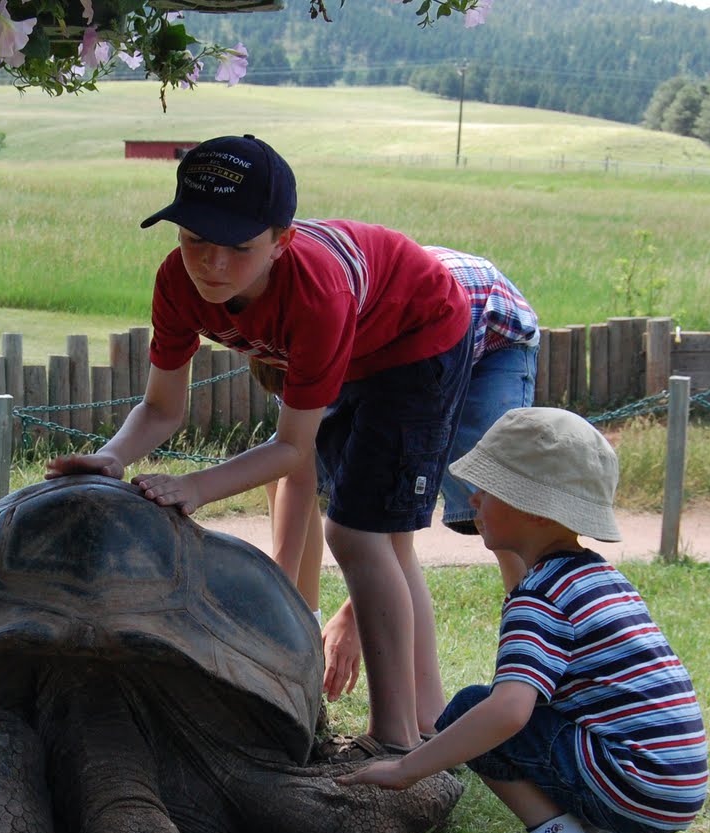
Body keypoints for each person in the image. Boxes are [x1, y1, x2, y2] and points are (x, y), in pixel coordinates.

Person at [44, 133, 474, 760]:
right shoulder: (177, 281)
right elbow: (163, 407)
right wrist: (114, 456)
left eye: (238, 248)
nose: (212, 264)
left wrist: (194, 487)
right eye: (195, 240)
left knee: (356, 533)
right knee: (370, 533)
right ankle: (426, 719)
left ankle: (393, 738)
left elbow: (291, 449)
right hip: (351, 350)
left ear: (282, 240)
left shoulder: (315, 292)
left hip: (419, 338)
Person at [338, 407, 708, 833]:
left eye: (488, 488)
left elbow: (509, 711)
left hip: (632, 781)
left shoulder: (542, 595)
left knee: (474, 709)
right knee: (551, 724)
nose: (473, 498)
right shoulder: (600, 578)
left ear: (533, 508)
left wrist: (408, 768)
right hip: (673, 783)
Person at [258, 247, 539, 706]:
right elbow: (294, 470)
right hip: (395, 327)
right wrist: (286, 612)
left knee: (503, 507)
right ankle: (420, 717)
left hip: (487, 321)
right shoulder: (294, 342)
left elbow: (395, 520)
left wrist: (355, 614)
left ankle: (534, 672)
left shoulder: (382, 362)